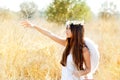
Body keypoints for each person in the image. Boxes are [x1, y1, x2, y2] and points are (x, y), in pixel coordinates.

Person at [21, 20, 94, 80]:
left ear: (76, 31)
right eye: (66, 28)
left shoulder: (84, 50)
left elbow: (88, 69)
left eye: (69, 29)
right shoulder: (67, 44)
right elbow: (50, 34)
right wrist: (34, 26)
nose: (66, 31)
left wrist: (79, 73)